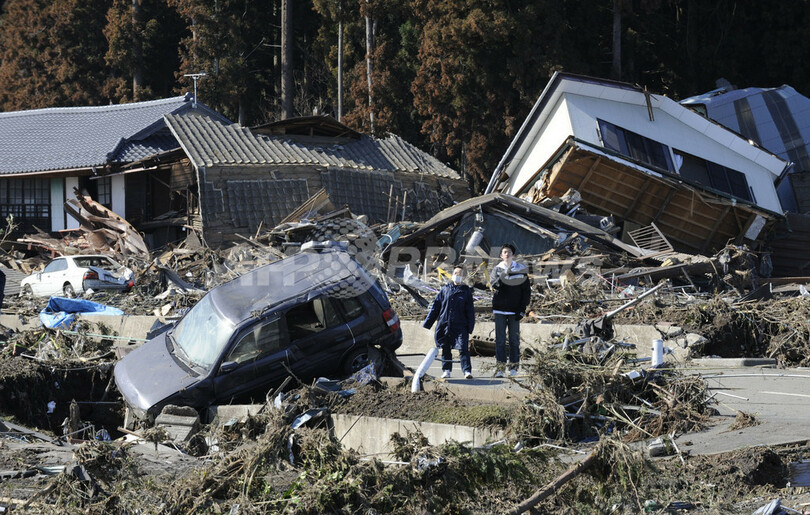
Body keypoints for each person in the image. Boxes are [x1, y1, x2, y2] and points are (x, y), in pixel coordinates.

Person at [422, 265, 475, 379]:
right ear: (452, 275)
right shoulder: (445, 289)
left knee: (463, 348)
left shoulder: (466, 292)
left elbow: (470, 310)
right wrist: (428, 322)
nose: (457, 276)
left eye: (460, 274)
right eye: (455, 273)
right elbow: (436, 307)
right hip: (445, 323)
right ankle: (446, 370)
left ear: (464, 277)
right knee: (446, 347)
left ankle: (466, 371)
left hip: (460, 324)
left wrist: (470, 326)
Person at [489, 243, 531, 377]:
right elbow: (494, 285)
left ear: (513, 255)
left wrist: (522, 309)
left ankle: (513, 368)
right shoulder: (497, 269)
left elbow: (526, 291)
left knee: (514, 340)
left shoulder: (521, 270)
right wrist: (504, 275)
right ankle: (500, 368)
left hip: (514, 311)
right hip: (500, 310)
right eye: (504, 252)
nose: (507, 254)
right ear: (501, 256)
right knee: (500, 340)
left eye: (509, 252)